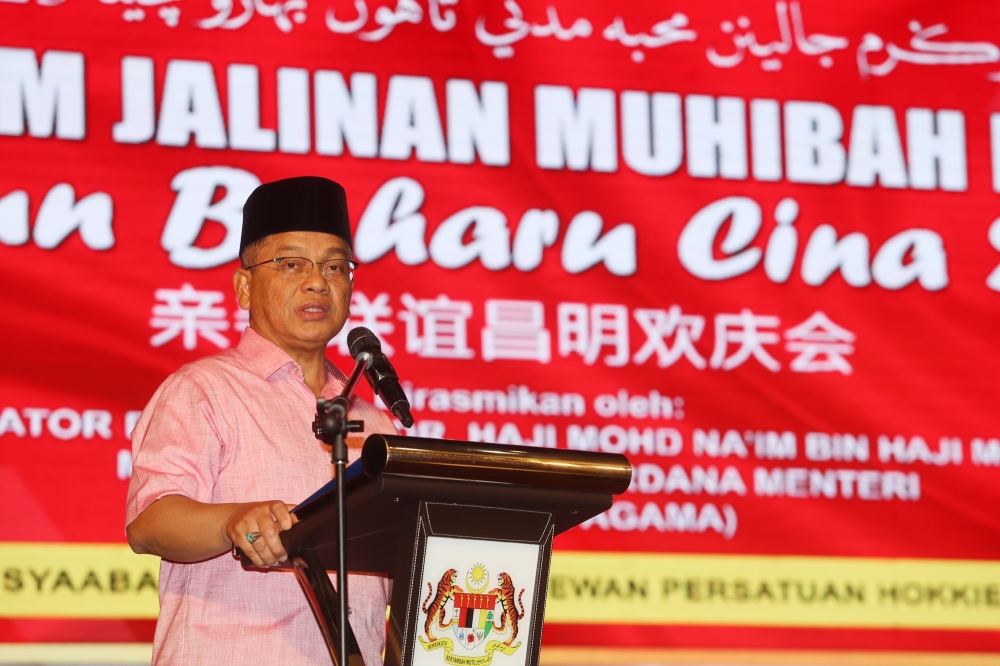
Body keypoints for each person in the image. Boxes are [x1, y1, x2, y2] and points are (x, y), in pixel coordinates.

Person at [126, 176, 395, 665]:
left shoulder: (373, 421)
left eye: (335, 266)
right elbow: (150, 523)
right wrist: (232, 520)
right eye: (292, 264)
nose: (318, 282)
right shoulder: (204, 389)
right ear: (245, 286)